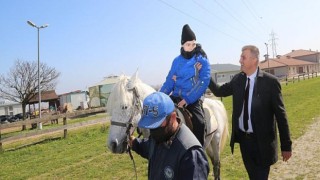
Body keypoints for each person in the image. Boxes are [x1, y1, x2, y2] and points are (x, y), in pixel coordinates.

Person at [208, 45, 292, 179]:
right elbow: (219, 91)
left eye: (243, 57)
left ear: (254, 60)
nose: (240, 60)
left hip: (263, 144)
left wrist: (286, 145)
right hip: (244, 143)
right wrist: (205, 73)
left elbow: (281, 115)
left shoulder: (270, 82)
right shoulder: (238, 80)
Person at [129, 92, 209, 180]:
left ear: (173, 117)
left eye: (157, 124)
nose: (153, 130)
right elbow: (150, 147)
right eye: (150, 125)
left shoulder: (191, 155)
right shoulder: (160, 136)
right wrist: (135, 143)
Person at [160, 24, 211, 146]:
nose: (192, 47)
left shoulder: (201, 59)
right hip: (176, 96)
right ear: (182, 44)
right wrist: (160, 96)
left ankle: (198, 152)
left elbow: (204, 80)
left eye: (194, 44)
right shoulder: (176, 61)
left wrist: (187, 99)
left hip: (192, 98)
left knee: (199, 122)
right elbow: (170, 81)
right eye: (188, 44)